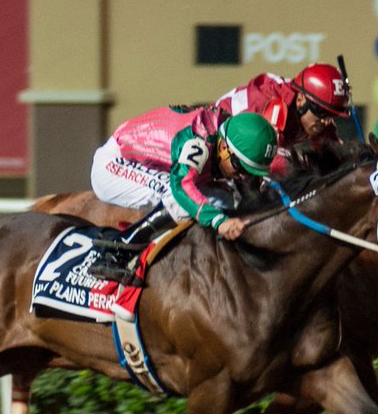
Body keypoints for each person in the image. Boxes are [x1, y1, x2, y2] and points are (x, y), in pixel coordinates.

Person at [87, 105, 278, 296]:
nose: (241, 175)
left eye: (249, 171)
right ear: (224, 147)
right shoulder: (198, 141)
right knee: (176, 196)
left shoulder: (228, 132)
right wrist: (218, 221)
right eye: (240, 167)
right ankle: (116, 252)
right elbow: (181, 187)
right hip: (113, 164)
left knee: (225, 199)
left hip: (153, 165)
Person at [215, 62, 352, 177]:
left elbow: (335, 155)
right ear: (301, 99)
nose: (327, 122)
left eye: (332, 115)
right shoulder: (273, 103)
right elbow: (271, 160)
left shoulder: (314, 112)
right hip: (219, 152)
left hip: (246, 158)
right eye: (322, 112)